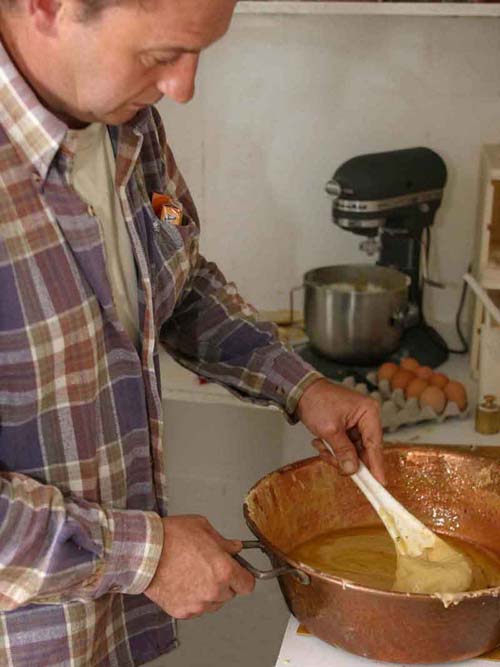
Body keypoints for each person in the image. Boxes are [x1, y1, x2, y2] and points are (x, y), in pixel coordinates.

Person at [0, 0, 385, 664]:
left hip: (107, 634)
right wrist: (144, 557)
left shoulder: (128, 122)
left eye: (199, 53)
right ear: (48, 7)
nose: (184, 89)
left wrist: (302, 386)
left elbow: (177, 283)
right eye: (161, 57)